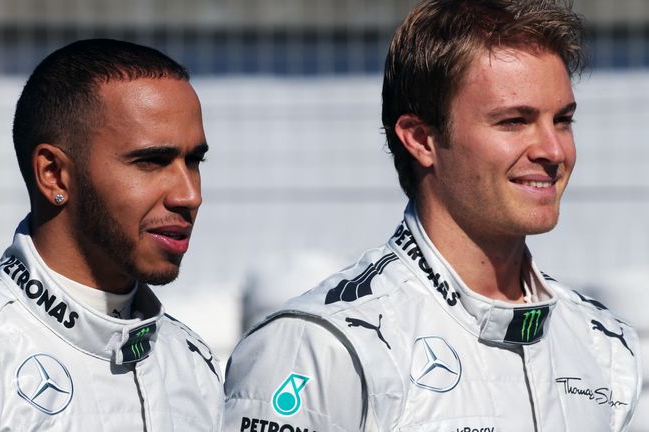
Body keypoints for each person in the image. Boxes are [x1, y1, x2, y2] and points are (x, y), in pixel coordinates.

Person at [223, 1, 642, 431]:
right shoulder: (324, 345)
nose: (553, 151)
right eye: (514, 121)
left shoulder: (604, 346)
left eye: (563, 120)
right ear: (422, 139)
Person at [0, 39, 222, 430]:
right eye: (151, 161)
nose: (189, 195)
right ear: (54, 174)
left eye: (193, 160)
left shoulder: (194, 363)